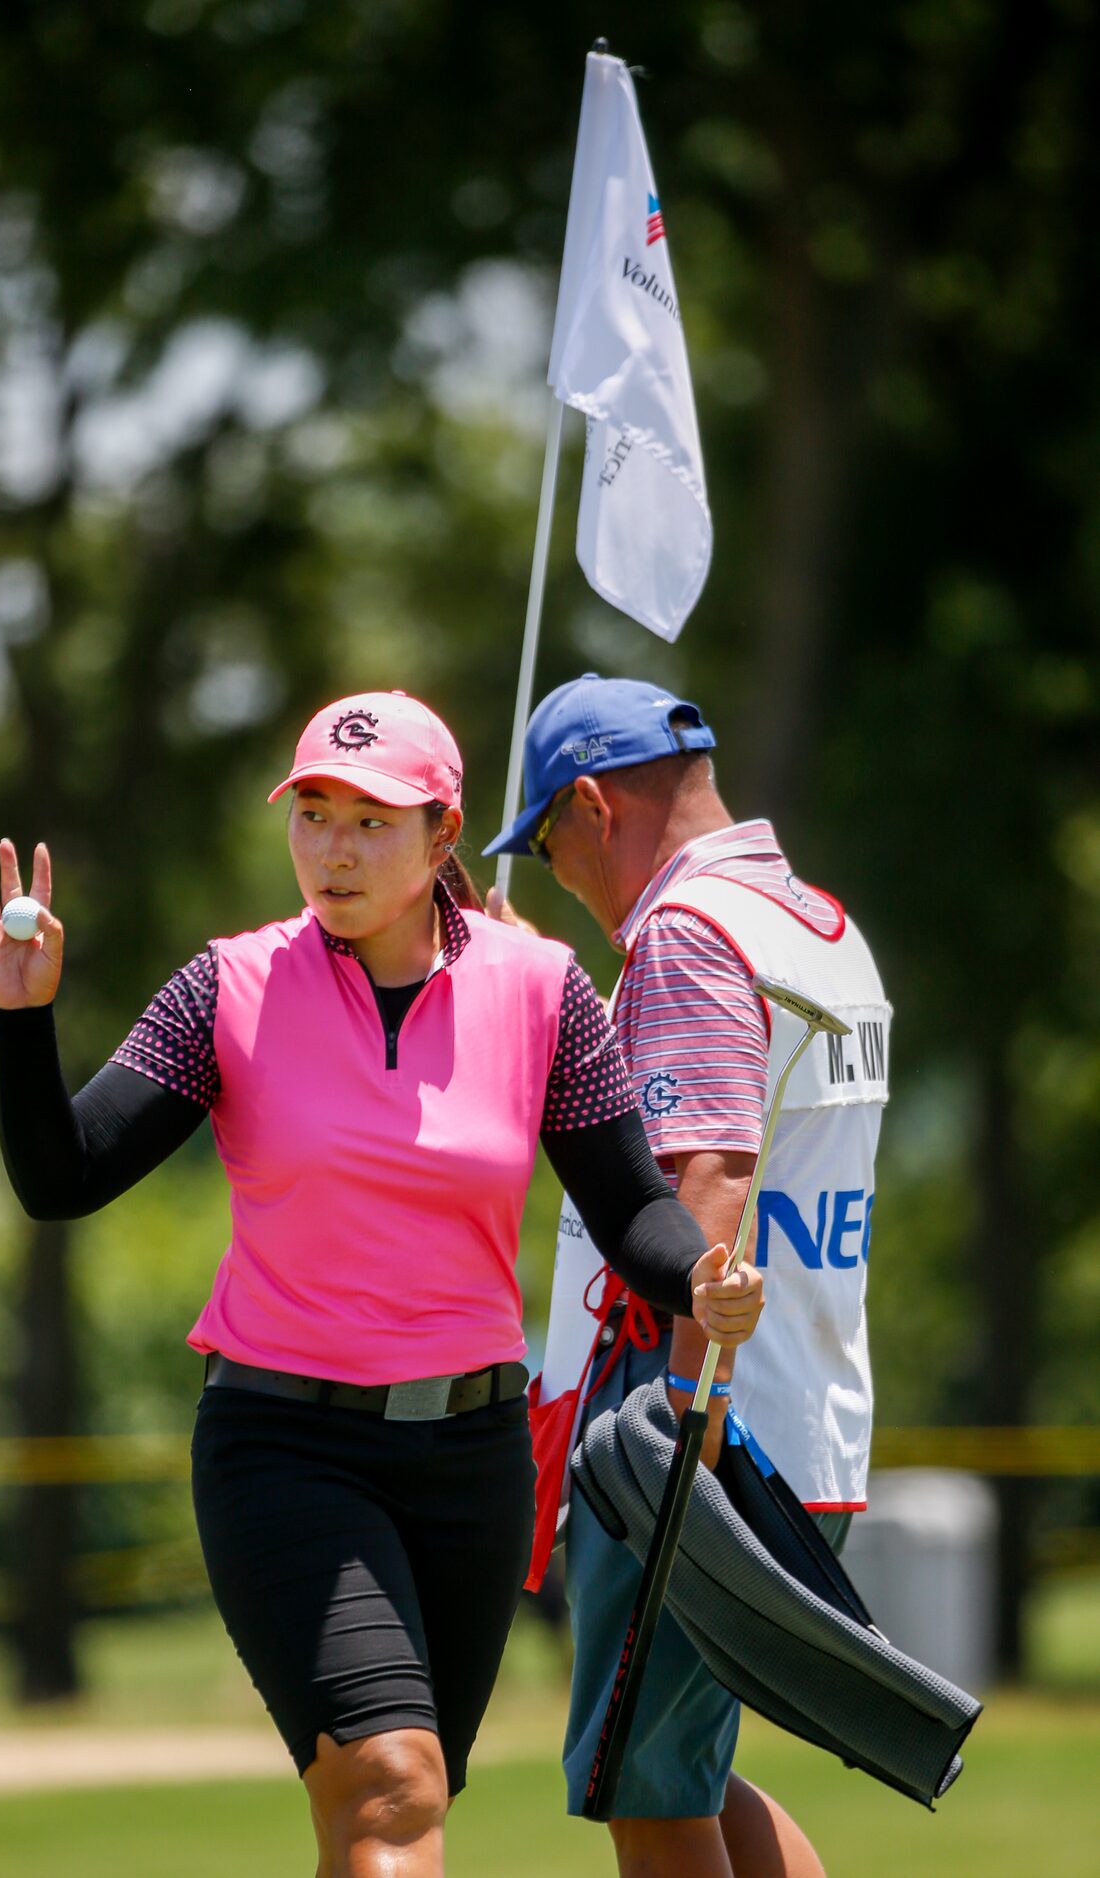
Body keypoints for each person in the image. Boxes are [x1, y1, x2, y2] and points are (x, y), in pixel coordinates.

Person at [0, 688, 765, 1878]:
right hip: (285, 1448)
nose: (332, 850)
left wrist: (698, 1278)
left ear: (444, 836)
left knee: (391, 1809)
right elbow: (62, 1177)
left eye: (371, 821)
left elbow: (629, 1206)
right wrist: (22, 1024)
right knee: (394, 1789)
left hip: (472, 1462)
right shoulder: (225, 989)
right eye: (314, 815)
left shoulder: (542, 989)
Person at [485, 673, 891, 1878]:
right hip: (799, 1419)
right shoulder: (812, 920)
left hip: (697, 1427)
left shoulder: (684, 937)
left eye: (550, 841)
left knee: (644, 1792)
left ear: (594, 808)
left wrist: (675, 1445)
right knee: (680, 1766)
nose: (557, 868)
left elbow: (703, 1185)